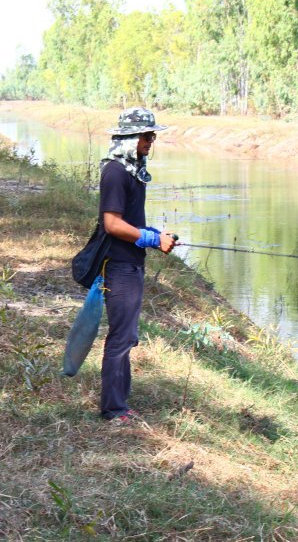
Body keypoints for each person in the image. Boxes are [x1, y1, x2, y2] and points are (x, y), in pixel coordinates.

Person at [98, 107, 176, 423]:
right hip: (119, 266)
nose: (151, 141)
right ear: (130, 138)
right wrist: (151, 240)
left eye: (152, 135)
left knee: (127, 335)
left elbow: (131, 221)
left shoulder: (132, 171)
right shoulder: (116, 173)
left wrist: (155, 234)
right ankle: (113, 410)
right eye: (147, 135)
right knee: (120, 337)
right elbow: (112, 225)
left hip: (131, 264)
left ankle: (120, 403)